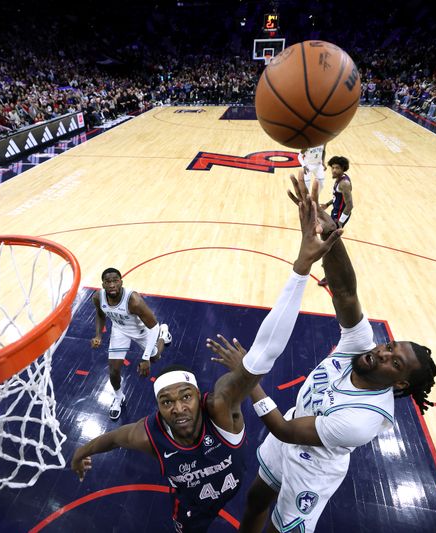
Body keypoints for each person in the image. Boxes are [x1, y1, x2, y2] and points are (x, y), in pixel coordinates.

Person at [73, 190, 344, 532]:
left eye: (186, 396)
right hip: (192, 511)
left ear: (198, 397)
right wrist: (81, 452)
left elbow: (263, 355)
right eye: (166, 401)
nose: (178, 408)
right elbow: (111, 439)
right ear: (158, 407)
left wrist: (301, 269)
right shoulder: (150, 434)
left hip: (231, 484)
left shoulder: (220, 407)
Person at [207, 177, 436, 533]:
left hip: (313, 465)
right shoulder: (362, 347)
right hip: (293, 428)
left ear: (401, 381)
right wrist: (329, 234)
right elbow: (344, 291)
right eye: (390, 346)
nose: (382, 353)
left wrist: (247, 375)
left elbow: (284, 430)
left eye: (395, 361)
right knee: (255, 500)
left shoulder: (364, 419)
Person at [91, 268, 172, 419]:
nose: (112, 285)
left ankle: (164, 333)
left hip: (143, 331)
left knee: (155, 357)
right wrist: (98, 335)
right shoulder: (98, 297)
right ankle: (118, 397)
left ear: (121, 282)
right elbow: (100, 314)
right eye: (108, 282)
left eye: (115, 281)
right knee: (114, 371)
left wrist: (146, 357)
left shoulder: (133, 300)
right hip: (119, 331)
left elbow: (153, 326)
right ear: (103, 284)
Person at [317, 155, 353, 287]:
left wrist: (340, 223)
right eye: (332, 167)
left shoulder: (344, 183)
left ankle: (330, 275)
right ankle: (330, 269)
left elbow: (349, 205)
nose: (334, 170)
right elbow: (337, 198)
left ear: (343, 168)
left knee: (330, 247)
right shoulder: (339, 180)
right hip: (335, 215)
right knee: (329, 246)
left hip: (338, 218)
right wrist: (327, 204)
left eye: (337, 168)